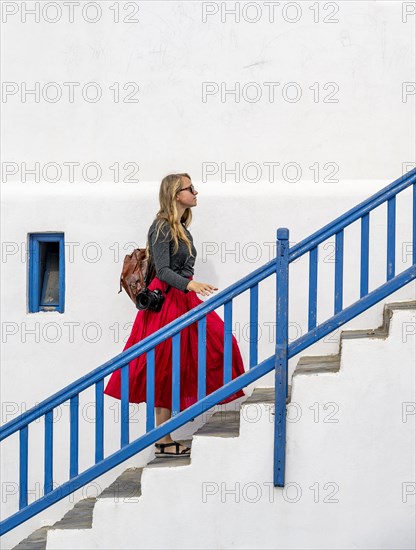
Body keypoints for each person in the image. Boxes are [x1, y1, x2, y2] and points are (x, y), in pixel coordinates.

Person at [104, 173, 246, 457]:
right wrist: (191, 284)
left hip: (184, 298)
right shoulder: (161, 227)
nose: (195, 192)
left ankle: (179, 419)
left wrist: (190, 287)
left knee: (216, 345)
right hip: (167, 301)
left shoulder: (181, 227)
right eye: (189, 188)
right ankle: (164, 438)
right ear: (174, 194)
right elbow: (165, 271)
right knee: (164, 365)